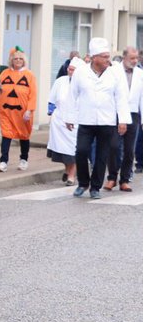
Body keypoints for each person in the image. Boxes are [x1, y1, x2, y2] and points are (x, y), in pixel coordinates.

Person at [64, 37, 131, 200]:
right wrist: (69, 117)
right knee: (81, 151)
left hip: (106, 121)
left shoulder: (116, 72)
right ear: (94, 58)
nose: (108, 60)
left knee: (102, 155)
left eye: (108, 56)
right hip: (86, 120)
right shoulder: (81, 72)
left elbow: (121, 97)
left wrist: (122, 120)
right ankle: (83, 183)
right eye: (104, 57)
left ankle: (95, 187)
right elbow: (72, 95)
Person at [105, 47, 143, 192]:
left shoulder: (141, 74)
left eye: (136, 58)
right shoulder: (113, 72)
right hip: (115, 113)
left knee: (129, 150)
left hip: (133, 113)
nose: (135, 61)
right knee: (113, 146)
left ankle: (125, 180)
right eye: (132, 58)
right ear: (124, 57)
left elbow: (143, 98)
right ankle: (112, 177)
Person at [0, 48, 38, 172]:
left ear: (24, 60)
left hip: (23, 112)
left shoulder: (29, 75)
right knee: (6, 134)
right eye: (15, 59)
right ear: (11, 60)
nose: (18, 61)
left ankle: (24, 159)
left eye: (20, 59)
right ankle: (3, 161)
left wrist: (29, 110)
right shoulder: (4, 74)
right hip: (5, 110)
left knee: (24, 136)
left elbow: (33, 94)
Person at [47, 57, 84, 185]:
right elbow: (52, 98)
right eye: (69, 69)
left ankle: (72, 175)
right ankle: (67, 170)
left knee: (74, 149)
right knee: (62, 150)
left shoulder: (82, 84)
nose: (70, 71)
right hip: (59, 120)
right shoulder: (60, 81)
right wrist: (50, 112)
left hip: (76, 121)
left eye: (73, 70)